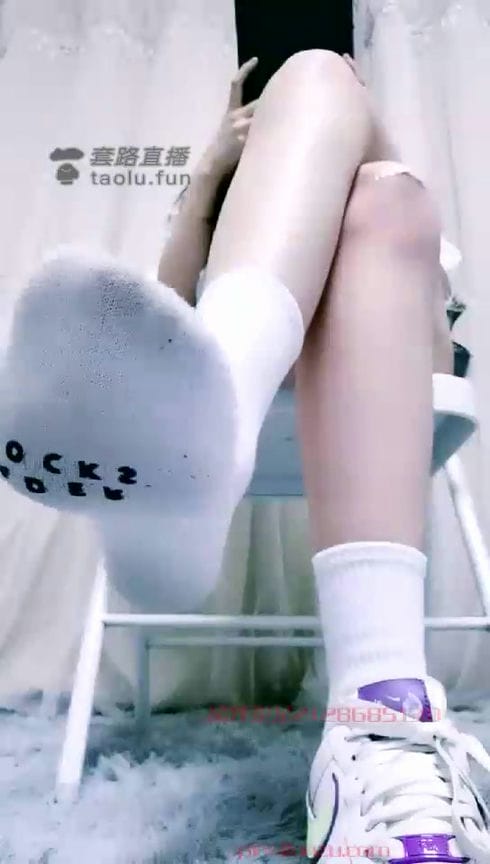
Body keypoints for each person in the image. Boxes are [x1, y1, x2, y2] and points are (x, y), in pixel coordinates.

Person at [0, 50, 489, 863]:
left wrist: (347, 107)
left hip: (401, 354)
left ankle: (220, 424)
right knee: (354, 138)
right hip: (263, 375)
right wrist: (210, 176)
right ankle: (377, 719)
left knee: (374, 176)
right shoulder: (242, 213)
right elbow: (162, 311)